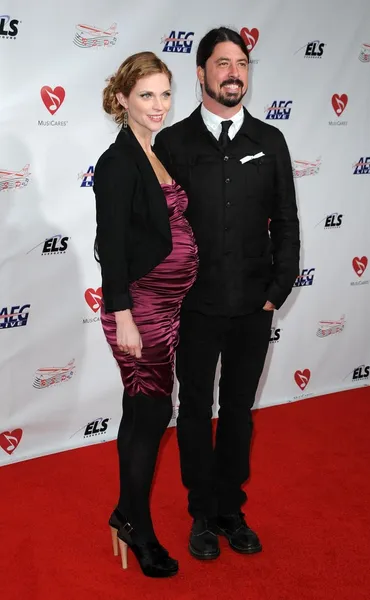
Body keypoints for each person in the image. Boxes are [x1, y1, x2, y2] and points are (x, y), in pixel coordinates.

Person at [154, 27, 300, 560]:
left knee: (238, 410)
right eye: (222, 63)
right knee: (193, 408)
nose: (234, 72)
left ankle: (230, 510)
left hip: (251, 308)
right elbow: (155, 228)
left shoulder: (270, 141)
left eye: (241, 63)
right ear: (200, 73)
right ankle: (200, 513)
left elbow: (286, 220)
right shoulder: (173, 143)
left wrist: (276, 290)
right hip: (193, 308)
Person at [93, 52, 198, 577]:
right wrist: (125, 316)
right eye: (146, 96)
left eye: (164, 94)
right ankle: (136, 524)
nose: (158, 106)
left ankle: (125, 512)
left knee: (140, 412)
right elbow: (110, 247)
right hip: (140, 308)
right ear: (122, 101)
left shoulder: (157, 153)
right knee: (154, 413)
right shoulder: (118, 163)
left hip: (168, 307)